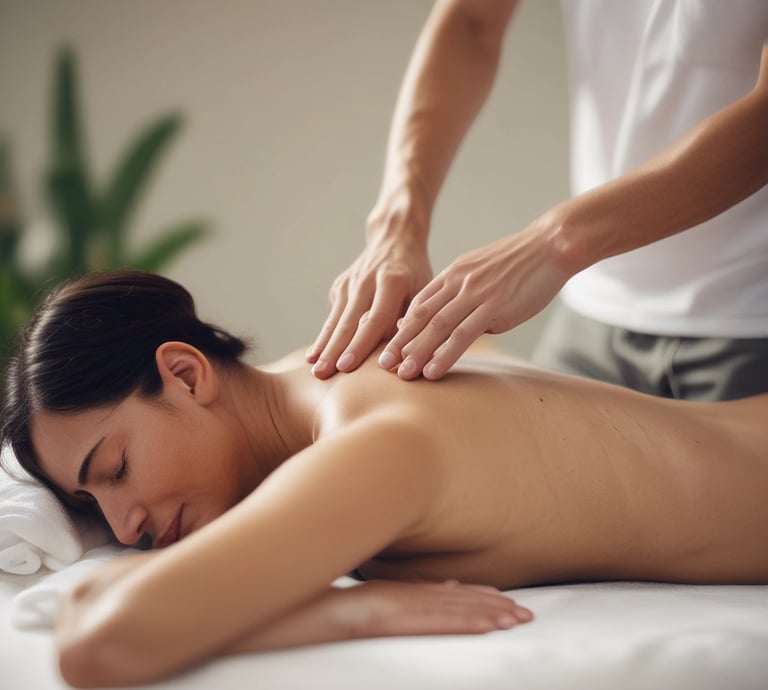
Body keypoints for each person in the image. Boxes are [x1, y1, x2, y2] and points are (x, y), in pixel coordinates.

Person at [1, 270, 768, 687]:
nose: (124, 524)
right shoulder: (318, 373)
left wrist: (354, 613)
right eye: (88, 502)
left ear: (183, 371)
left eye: (117, 468)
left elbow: (96, 646)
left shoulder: (370, 448)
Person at [306, 0, 768, 400]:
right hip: (591, 309)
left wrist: (557, 241)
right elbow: (470, 21)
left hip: (750, 318)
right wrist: (396, 224)